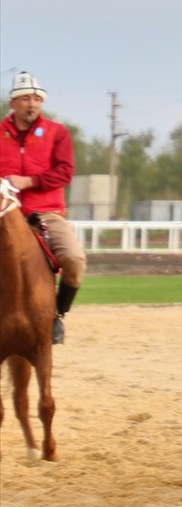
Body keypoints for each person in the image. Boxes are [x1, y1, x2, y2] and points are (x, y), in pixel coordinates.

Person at [0, 71, 85, 345]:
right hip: (3, 213)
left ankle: (57, 315)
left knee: (74, 260)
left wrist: (29, 181)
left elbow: (65, 172)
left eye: (37, 98)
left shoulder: (57, 133)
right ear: (13, 103)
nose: (32, 104)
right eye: (25, 98)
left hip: (46, 212)